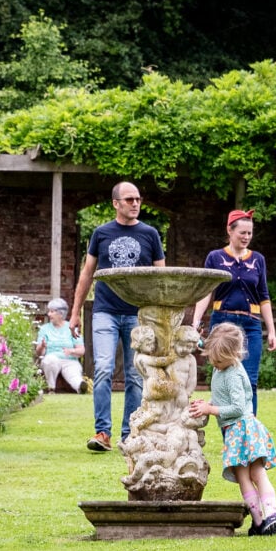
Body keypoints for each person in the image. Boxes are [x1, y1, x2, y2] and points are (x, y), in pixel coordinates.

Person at [69, 181, 166, 452]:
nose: (135, 203)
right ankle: (103, 433)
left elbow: (162, 277)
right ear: (116, 204)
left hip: (138, 314)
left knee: (136, 376)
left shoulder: (150, 234)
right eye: (129, 199)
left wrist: (160, 315)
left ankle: (130, 434)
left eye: (138, 198)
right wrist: (75, 312)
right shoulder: (101, 233)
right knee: (102, 369)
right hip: (105, 312)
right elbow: (87, 273)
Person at [189, 322, 276, 536]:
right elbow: (203, 345)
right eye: (212, 357)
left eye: (218, 359)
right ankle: (259, 521)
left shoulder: (233, 374)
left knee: (256, 472)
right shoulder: (221, 366)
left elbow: (236, 408)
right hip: (233, 432)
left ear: (233, 354)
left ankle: (271, 515)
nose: (214, 362)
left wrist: (210, 408)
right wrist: (195, 337)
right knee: (244, 477)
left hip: (243, 429)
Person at [192, 209, 276, 415]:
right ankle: (229, 435)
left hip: (251, 325)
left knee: (250, 380)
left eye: (250, 233)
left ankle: (250, 432)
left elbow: (264, 296)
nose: (247, 237)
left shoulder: (258, 260)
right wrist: (195, 322)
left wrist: (272, 331)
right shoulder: (215, 257)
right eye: (242, 233)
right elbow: (206, 291)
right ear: (229, 231)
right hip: (222, 323)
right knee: (223, 380)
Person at [35, 298, 87, 394]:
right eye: (49, 311)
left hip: (70, 360)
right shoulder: (44, 329)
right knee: (50, 360)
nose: (49, 314)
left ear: (61, 313)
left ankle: (80, 386)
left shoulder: (71, 328)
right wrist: (42, 346)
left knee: (73, 374)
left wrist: (71, 351)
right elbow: (39, 353)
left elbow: (81, 350)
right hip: (52, 358)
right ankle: (51, 388)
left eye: (52, 311)